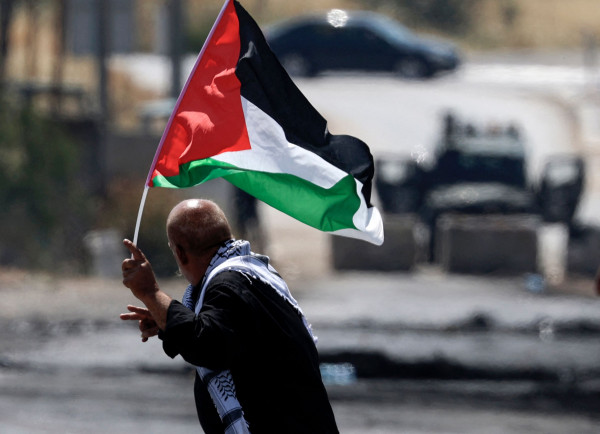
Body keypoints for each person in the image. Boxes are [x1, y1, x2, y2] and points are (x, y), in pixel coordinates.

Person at [120, 198, 339, 434]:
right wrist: (165, 320)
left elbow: (205, 344)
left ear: (180, 253)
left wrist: (151, 293)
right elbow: (230, 333)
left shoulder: (227, 286)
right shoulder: (250, 274)